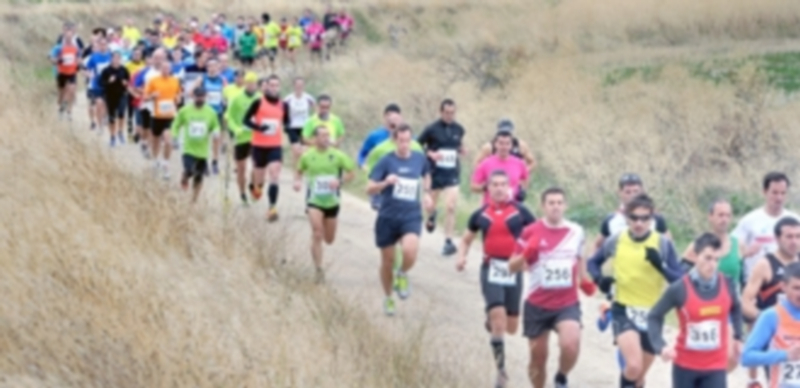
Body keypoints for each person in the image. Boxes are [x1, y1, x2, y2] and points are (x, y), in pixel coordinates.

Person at [588, 193, 683, 388]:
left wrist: (660, 266)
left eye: (645, 218)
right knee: (632, 366)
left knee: (638, 378)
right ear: (627, 218)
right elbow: (592, 262)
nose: (639, 223)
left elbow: (680, 280)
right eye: (634, 218)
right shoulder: (617, 239)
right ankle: (608, 312)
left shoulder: (662, 243)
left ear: (652, 218)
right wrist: (600, 279)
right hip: (624, 309)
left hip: (653, 314)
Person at [457, 171, 536, 387]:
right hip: (490, 268)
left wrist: (530, 259)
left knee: (511, 327)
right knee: (499, 319)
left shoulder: (521, 212)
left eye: (503, 184)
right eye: (495, 185)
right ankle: (501, 371)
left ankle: (492, 319)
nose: (500, 188)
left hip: (513, 270)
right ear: (488, 189)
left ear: (510, 187)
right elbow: (466, 240)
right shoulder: (480, 214)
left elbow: (537, 236)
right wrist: (461, 256)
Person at [509, 187, 594, 388]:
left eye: (559, 203)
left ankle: (561, 377)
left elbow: (580, 258)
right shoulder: (530, 231)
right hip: (537, 304)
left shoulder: (576, 231)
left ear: (565, 205)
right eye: (551, 203)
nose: (555, 207)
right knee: (538, 359)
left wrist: (584, 280)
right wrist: (526, 254)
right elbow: (511, 267)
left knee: (571, 344)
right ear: (543, 206)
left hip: (567, 303)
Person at [647, 233, 744, 388]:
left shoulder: (727, 284)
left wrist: (738, 337)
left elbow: (737, 307)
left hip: (716, 366)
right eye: (707, 258)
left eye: (716, 259)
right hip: (685, 366)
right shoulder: (680, 288)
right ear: (695, 256)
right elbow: (654, 316)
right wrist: (661, 346)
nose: (712, 264)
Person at [735, 172, 799, 388]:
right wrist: (766, 318)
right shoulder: (765, 264)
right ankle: (753, 380)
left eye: (798, 237)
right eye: (789, 237)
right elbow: (745, 301)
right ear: (777, 238)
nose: (794, 241)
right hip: (775, 335)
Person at [366, 124, 432, 316]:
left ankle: (402, 273)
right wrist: (385, 182)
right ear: (395, 140)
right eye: (401, 141)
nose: (404, 145)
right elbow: (369, 188)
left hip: (411, 215)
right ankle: (388, 298)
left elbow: (426, 174)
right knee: (387, 261)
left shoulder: (419, 159)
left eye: (408, 141)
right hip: (388, 216)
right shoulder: (386, 161)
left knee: (410, 251)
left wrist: (427, 193)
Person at [294, 125, 356, 282]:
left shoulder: (337, 155)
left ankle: (319, 255)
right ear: (315, 139)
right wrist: (297, 181)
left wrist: (340, 181)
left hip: (332, 201)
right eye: (322, 135)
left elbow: (352, 173)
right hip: (314, 200)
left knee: (329, 239)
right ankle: (318, 269)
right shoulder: (308, 156)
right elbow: (299, 170)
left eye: (328, 135)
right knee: (317, 233)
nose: (326, 138)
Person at [418, 98, 466, 256]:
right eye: (446, 113)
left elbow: (457, 144)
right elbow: (417, 145)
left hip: (452, 173)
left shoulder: (459, 129)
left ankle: (448, 242)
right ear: (441, 112)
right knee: (430, 205)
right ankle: (432, 215)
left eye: (452, 113)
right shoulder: (431, 128)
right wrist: (430, 153)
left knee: (451, 206)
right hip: (434, 173)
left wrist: (461, 149)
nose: (449, 116)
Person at [742, 260, 800, 385]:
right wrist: (785, 355)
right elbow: (746, 357)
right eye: (796, 288)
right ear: (783, 287)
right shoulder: (771, 316)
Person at [735, 172, 799, 284]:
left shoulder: (795, 220)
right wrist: (746, 252)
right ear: (764, 192)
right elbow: (733, 247)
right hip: (755, 284)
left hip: (790, 286)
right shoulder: (749, 221)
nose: (779, 198)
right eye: (774, 193)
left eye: (783, 193)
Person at [243, 75, 290, 222]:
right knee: (259, 179)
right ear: (266, 86)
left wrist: (293, 136)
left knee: (274, 174)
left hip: (275, 145)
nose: (274, 88)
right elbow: (245, 121)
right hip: (258, 145)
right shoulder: (258, 102)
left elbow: (287, 123)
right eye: (271, 85)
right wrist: (258, 127)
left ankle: (272, 208)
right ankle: (256, 188)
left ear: (279, 87)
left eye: (277, 85)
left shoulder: (284, 105)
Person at [170, 87, 220, 202]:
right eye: (198, 97)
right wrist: (175, 136)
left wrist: (216, 131)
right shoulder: (185, 110)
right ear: (193, 97)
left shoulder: (211, 112)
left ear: (205, 97)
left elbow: (215, 125)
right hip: (188, 148)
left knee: (199, 176)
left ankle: (194, 199)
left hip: (202, 151)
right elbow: (176, 124)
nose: (200, 99)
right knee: (190, 170)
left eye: (202, 97)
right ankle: (184, 177)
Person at [595, 173, 670, 250]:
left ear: (642, 191)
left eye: (636, 191)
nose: (632, 195)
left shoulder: (656, 218)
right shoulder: (611, 220)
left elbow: (669, 245)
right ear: (619, 192)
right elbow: (597, 246)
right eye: (628, 192)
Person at [225, 72, 261, 205]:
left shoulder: (260, 98)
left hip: (256, 138)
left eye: (254, 83)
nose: (251, 86)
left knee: (256, 166)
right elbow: (230, 118)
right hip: (241, 138)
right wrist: (236, 129)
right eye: (249, 83)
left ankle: (252, 185)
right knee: (241, 168)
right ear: (245, 84)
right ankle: (242, 194)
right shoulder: (237, 98)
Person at [143, 61, 181, 179]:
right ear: (160, 69)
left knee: (168, 139)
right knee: (156, 141)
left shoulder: (175, 81)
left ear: (170, 69)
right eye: (163, 68)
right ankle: (155, 160)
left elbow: (178, 94)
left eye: (167, 68)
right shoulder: (153, 81)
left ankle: (166, 163)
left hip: (170, 116)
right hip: (156, 115)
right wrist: (152, 96)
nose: (165, 70)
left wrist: (178, 99)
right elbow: (145, 97)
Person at [471, 130, 528, 205]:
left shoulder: (519, 163)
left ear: (511, 145)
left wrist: (521, 191)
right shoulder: (486, 163)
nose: (504, 147)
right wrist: (486, 187)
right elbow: (473, 186)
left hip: (512, 208)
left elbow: (525, 179)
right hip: (490, 208)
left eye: (507, 144)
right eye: (501, 143)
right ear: (495, 144)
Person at [99, 51, 131, 147]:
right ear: (111, 59)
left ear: (120, 59)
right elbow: (101, 83)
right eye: (114, 58)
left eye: (118, 58)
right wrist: (108, 81)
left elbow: (129, 81)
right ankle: (112, 137)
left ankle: (120, 132)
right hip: (110, 96)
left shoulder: (124, 70)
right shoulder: (106, 70)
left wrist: (126, 83)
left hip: (122, 94)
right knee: (112, 117)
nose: (116, 60)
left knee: (121, 114)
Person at [284, 77, 316, 167]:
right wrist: (285, 124)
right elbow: (283, 112)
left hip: (305, 127)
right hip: (292, 127)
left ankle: (302, 170)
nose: (299, 86)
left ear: (304, 86)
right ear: (294, 86)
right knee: (296, 151)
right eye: (297, 84)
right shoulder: (288, 99)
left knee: (304, 151)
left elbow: (316, 111)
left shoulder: (308, 98)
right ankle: (295, 173)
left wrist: (314, 123)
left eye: (301, 85)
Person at [51, 28, 80, 120]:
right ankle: (60, 108)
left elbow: (79, 58)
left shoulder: (75, 48)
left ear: (72, 37)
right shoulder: (59, 47)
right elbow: (52, 58)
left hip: (72, 72)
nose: (69, 38)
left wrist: (79, 64)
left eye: (70, 36)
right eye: (67, 36)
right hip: (62, 72)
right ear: (64, 37)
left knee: (71, 90)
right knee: (61, 94)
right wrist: (58, 60)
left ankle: (69, 112)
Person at [84, 37, 112, 131]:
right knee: (99, 104)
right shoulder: (94, 57)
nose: (103, 46)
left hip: (109, 86)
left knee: (106, 105)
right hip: (97, 85)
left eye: (105, 44)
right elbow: (87, 69)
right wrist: (89, 75)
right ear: (99, 45)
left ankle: (105, 117)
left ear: (107, 45)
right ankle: (100, 126)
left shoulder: (111, 56)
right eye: (101, 44)